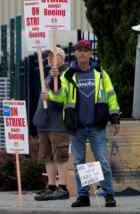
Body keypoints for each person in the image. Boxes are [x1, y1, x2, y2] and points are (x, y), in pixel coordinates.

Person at [48, 40, 121, 208]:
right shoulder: (68, 74)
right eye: (79, 50)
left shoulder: (100, 74)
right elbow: (58, 97)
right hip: (77, 126)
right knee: (78, 162)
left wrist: (115, 118)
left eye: (86, 50)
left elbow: (111, 96)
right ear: (75, 53)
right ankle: (83, 196)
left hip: (97, 125)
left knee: (102, 160)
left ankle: (109, 194)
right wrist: (55, 80)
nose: (82, 53)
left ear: (90, 53)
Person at [33, 47, 70, 201]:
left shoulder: (66, 74)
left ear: (61, 58)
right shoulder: (48, 75)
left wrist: (52, 95)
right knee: (47, 156)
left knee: (60, 155)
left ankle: (63, 187)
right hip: (45, 122)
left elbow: (65, 95)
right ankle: (51, 186)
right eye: (48, 56)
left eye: (53, 55)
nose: (49, 58)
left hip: (58, 123)